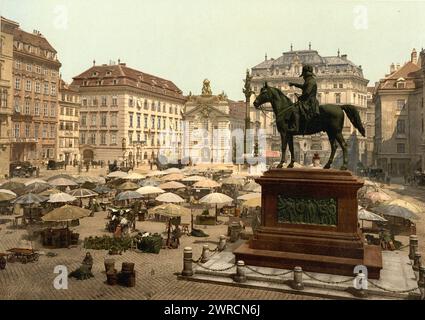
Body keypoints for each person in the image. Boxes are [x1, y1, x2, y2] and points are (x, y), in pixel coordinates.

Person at [288, 64, 320, 133]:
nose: (303, 77)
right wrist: (294, 84)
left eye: (304, 75)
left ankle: (296, 127)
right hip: (308, 100)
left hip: (309, 101)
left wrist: (300, 97)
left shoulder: (311, 81)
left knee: (294, 109)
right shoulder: (309, 80)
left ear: (306, 74)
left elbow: (307, 92)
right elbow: (304, 87)